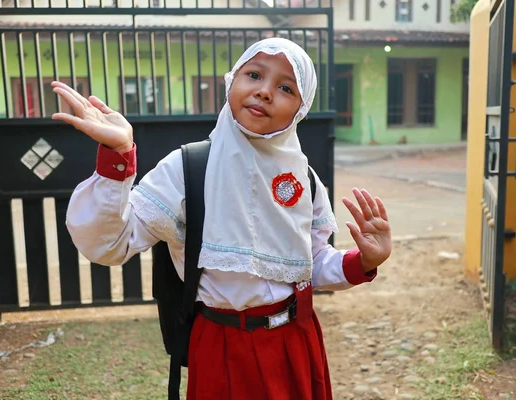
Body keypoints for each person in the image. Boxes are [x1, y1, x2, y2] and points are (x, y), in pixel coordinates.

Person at [57, 38, 392, 400]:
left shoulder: (304, 179)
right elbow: (112, 242)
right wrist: (118, 155)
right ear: (231, 81)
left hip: (294, 342)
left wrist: (364, 261)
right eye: (253, 75)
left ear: (301, 108)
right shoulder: (187, 168)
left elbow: (310, 264)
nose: (264, 92)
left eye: (285, 87)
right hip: (220, 346)